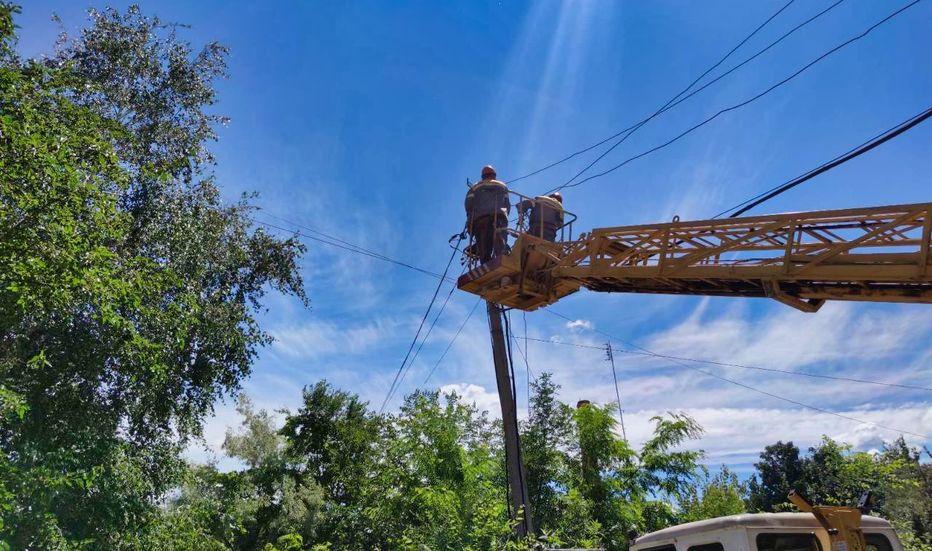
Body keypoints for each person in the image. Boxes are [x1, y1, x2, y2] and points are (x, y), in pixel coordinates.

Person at [465, 165, 510, 262]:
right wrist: (505, 216)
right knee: (500, 245)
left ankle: (486, 265)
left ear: (483, 176)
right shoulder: (502, 185)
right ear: (494, 175)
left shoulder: (475, 187)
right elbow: (507, 204)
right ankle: (502, 260)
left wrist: (469, 221)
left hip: (480, 221)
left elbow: (468, 205)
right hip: (499, 218)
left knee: (484, 250)